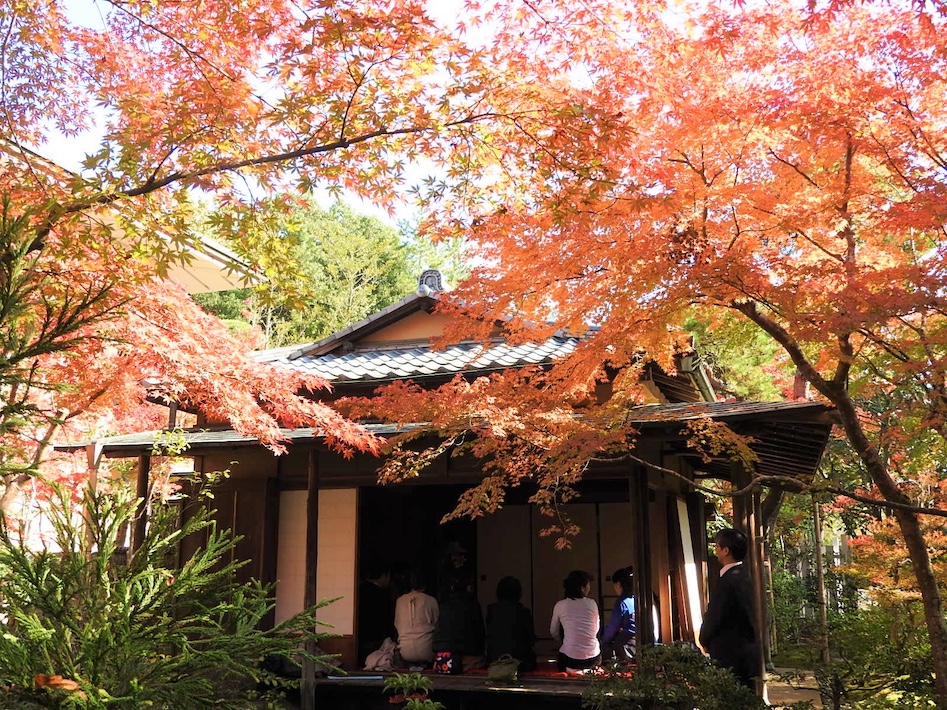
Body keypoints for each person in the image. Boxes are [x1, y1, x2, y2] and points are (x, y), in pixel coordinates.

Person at [699, 527, 761, 689]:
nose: (715, 550)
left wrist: (704, 638)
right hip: (744, 651)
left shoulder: (729, 580)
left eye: (717, 546)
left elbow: (716, 614)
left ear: (726, 551)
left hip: (730, 652)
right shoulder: (742, 575)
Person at [550, 569, 601, 672]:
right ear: (582, 588)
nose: (589, 588)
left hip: (570, 659)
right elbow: (596, 629)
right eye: (588, 585)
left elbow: (554, 631)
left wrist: (564, 641)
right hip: (593, 658)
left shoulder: (560, 605)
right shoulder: (592, 604)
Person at [433, 576, 486, 672]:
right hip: (468, 655)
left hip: (445, 658)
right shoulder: (473, 605)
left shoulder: (443, 606)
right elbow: (480, 632)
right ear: (468, 588)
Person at [485, 575, 536, 671]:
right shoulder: (523, 611)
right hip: (518, 660)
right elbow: (530, 639)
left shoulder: (492, 610)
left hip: (495, 658)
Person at [394, 570, 439, 666]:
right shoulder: (431, 600)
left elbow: (397, 625)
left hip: (405, 652)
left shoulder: (400, 601)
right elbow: (438, 625)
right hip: (428, 652)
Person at [357, 564, 394, 665]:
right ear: (384, 575)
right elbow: (387, 618)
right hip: (376, 638)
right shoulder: (382, 595)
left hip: (359, 638)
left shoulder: (358, 590)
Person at [602, 567, 636, 661]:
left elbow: (613, 627)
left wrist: (602, 641)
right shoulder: (637, 599)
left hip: (625, 644)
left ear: (618, 584)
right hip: (639, 642)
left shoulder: (622, 602)